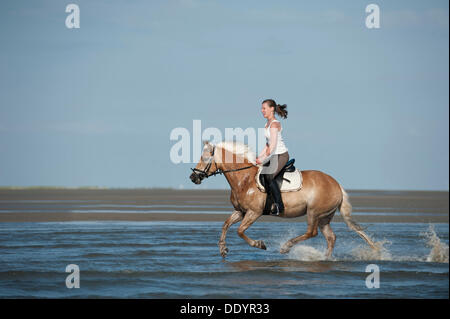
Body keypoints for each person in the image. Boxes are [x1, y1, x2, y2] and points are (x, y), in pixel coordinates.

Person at [255, 99, 289, 216]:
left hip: (281, 155)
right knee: (262, 175)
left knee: (269, 175)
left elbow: (273, 145)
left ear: (272, 109)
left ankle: (280, 205)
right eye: (262, 108)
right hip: (273, 154)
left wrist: (263, 158)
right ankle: (269, 203)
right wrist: (258, 157)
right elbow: (268, 144)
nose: (262, 111)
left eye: (264, 108)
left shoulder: (275, 124)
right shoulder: (267, 124)